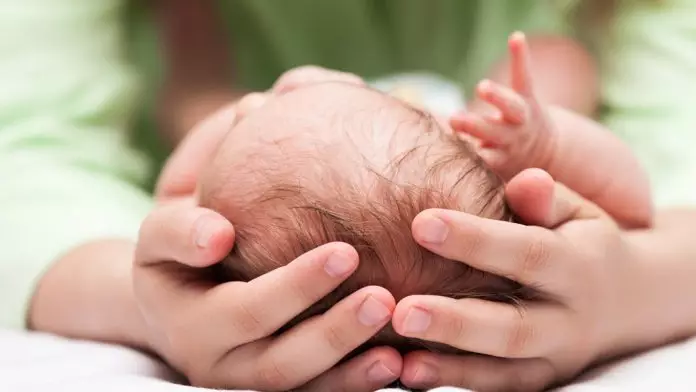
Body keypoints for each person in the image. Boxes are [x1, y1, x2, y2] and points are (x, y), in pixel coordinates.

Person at [2, 0, 695, 391]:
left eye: (266, 104)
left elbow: (166, 197)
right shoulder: (491, 196)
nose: (301, 75)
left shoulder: (215, 197)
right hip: (475, 127)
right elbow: (629, 206)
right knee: (559, 67)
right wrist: (550, 147)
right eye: (276, 101)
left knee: (195, 99)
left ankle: (192, 35)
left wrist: (238, 122)